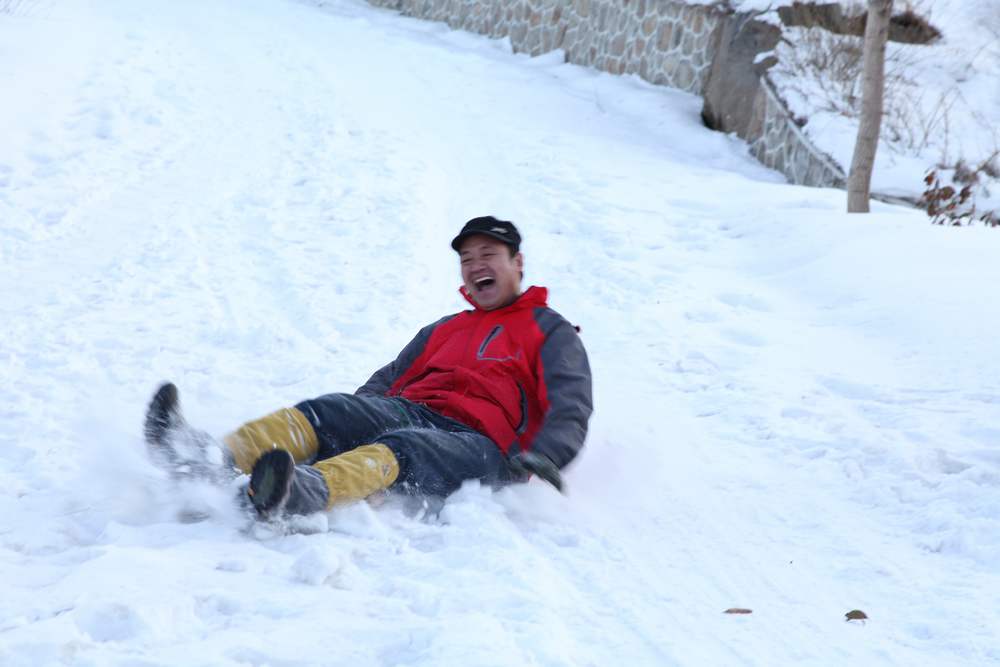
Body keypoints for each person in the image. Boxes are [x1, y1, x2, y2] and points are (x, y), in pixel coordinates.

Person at [145, 216, 593, 518]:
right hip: (417, 411)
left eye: (488, 255)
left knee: (407, 446)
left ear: (517, 263)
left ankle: (300, 493)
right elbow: (389, 379)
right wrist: (351, 422)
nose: (476, 266)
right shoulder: (446, 328)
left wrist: (546, 456)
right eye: (467, 259)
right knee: (332, 409)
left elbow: (570, 404)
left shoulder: (549, 330)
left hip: (484, 445)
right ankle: (204, 457)